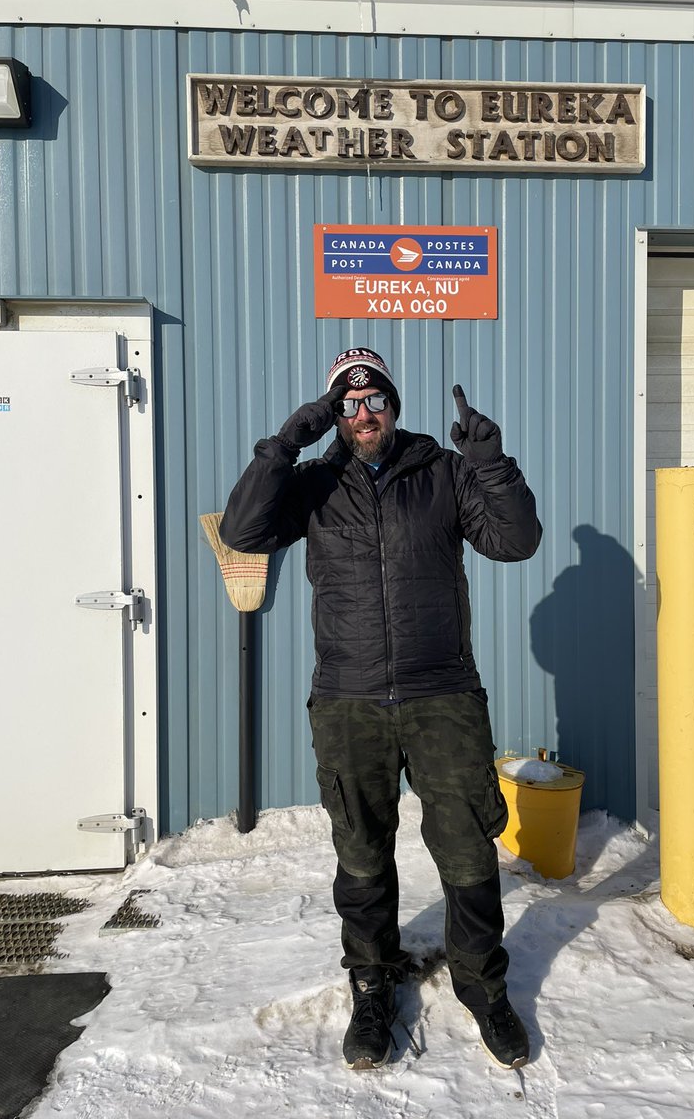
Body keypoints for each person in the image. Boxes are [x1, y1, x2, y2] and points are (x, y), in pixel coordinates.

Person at [220, 347, 542, 1071]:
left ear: (395, 406)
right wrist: (283, 445)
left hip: (444, 697)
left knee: (466, 852)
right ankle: (372, 989)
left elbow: (517, 542)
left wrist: (490, 461)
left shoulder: (444, 474)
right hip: (349, 700)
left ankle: (483, 990)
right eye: (348, 405)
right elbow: (242, 532)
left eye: (377, 402)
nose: (365, 416)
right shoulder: (312, 482)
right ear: (333, 414)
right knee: (361, 855)